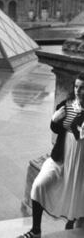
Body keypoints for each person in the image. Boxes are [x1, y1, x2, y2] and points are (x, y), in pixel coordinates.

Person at [17, 72, 84, 238]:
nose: (78, 90)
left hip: (81, 164)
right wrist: (54, 121)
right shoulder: (66, 104)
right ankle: (36, 231)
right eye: (76, 86)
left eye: (82, 88)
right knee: (39, 185)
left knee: (79, 196)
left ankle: (74, 222)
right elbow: (56, 129)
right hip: (60, 159)